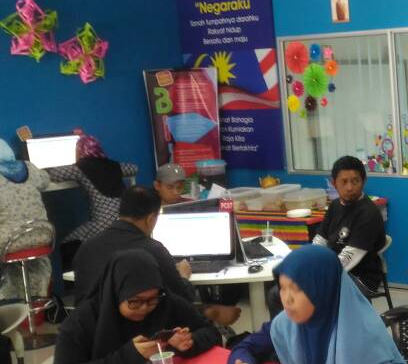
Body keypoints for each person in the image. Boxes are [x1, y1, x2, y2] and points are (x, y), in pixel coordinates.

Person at [221, 245, 408, 364]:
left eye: (297, 289)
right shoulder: (285, 324)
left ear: (323, 289)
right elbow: (247, 347)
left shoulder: (362, 336)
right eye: (283, 287)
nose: (287, 299)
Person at [72, 186, 240, 329]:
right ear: (151, 218)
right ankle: (209, 314)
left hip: (87, 329)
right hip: (135, 329)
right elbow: (183, 298)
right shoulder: (152, 249)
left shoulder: (87, 246)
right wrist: (183, 276)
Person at [53, 250, 220, 364]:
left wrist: (188, 343)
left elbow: (212, 332)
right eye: (135, 301)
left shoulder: (166, 303)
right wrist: (129, 357)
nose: (144, 307)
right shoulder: (82, 320)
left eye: (152, 299)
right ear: (116, 293)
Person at [46, 134, 137, 267]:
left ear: (79, 151)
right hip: (125, 222)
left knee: (68, 242)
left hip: (102, 224)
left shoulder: (80, 168)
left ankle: (74, 277)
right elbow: (134, 168)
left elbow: (54, 174)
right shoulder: (114, 165)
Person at [313, 156, 387, 294]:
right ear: (334, 183)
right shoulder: (335, 205)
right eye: (344, 182)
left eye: (355, 181)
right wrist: (312, 263)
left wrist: (321, 274)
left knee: (310, 292)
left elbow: (349, 257)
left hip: (360, 276)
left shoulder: (368, 213)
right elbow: (320, 240)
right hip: (335, 268)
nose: (349, 188)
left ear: (364, 181)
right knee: (281, 289)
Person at [0, 138, 52, 302]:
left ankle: (9, 303)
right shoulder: (29, 167)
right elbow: (46, 181)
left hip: (10, 241)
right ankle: (35, 298)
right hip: (43, 234)